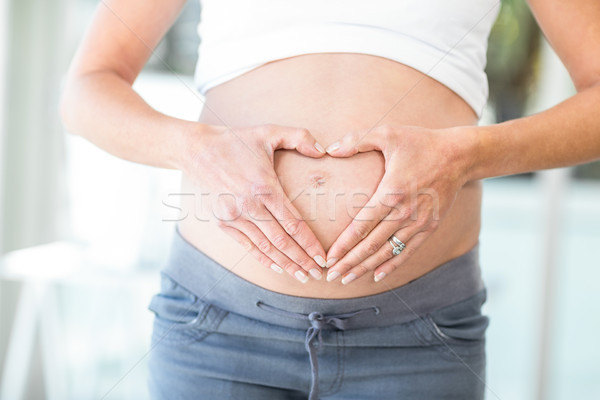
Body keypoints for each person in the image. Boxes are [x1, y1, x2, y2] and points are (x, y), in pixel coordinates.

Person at [59, 0, 600, 399]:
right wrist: (195, 147)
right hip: (217, 331)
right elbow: (86, 89)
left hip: (415, 340)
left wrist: (466, 155)